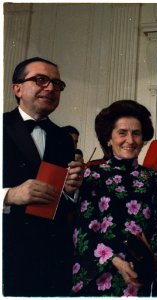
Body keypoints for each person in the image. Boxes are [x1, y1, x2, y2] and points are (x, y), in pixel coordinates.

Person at [71, 100, 157, 296]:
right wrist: (115, 261)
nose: (130, 140)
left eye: (136, 133)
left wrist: (149, 262)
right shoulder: (92, 175)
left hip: (140, 275)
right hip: (101, 273)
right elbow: (83, 232)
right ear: (108, 138)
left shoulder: (153, 178)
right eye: (122, 133)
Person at [2, 57, 84, 296]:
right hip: (7, 252)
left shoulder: (62, 138)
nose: (50, 88)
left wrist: (71, 190)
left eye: (57, 84)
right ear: (17, 88)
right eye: (41, 80)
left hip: (52, 256)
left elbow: (65, 200)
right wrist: (9, 195)